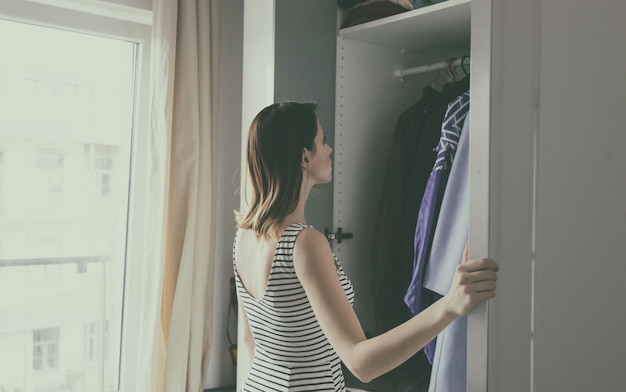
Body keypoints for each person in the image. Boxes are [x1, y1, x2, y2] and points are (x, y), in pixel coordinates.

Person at [232, 101, 499, 391]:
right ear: (305, 157)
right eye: (323, 141)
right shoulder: (304, 243)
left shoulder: (244, 237)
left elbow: (251, 340)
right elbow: (361, 363)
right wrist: (451, 304)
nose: (329, 149)